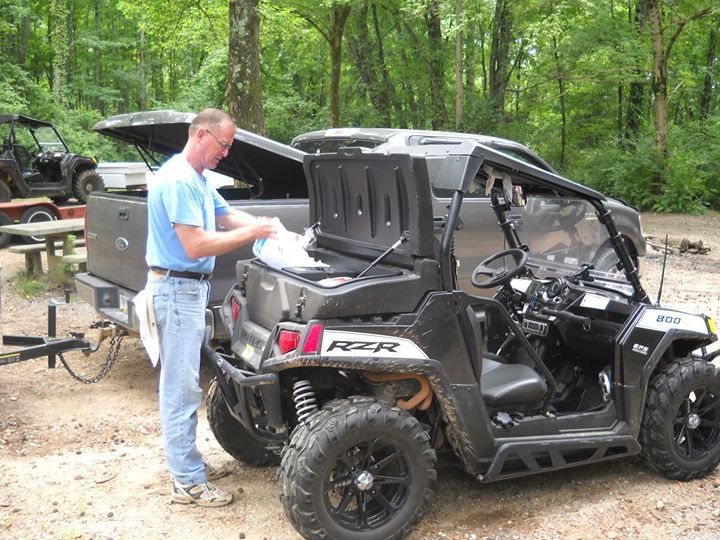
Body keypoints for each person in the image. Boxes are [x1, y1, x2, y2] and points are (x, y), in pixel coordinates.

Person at [145, 108, 277, 507]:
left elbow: (228, 213)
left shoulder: (198, 179)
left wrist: (268, 227)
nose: (226, 152)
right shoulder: (180, 180)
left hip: (188, 290)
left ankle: (189, 465)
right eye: (223, 144)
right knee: (181, 388)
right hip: (176, 290)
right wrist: (253, 233)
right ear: (201, 135)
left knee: (185, 383)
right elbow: (196, 245)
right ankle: (186, 480)